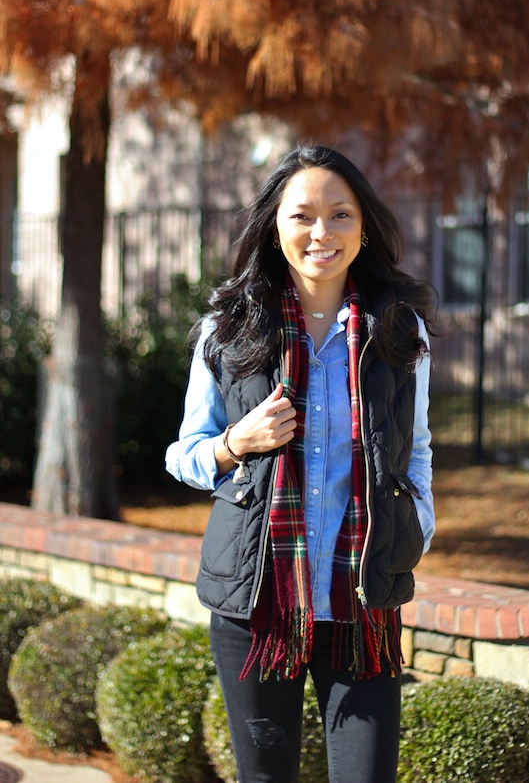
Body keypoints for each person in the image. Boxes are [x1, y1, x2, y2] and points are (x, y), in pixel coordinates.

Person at [165, 144, 436, 783]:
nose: (322, 233)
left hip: (362, 598)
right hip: (256, 600)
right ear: (275, 226)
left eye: (340, 214)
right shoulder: (228, 329)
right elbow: (185, 454)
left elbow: (416, 450)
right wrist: (237, 443)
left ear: (364, 225)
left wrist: (417, 526)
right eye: (303, 215)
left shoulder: (399, 332)